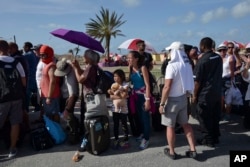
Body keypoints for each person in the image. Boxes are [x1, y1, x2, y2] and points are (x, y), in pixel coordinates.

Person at [159, 41, 197, 160]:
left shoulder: (172, 65)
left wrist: (162, 103)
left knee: (170, 126)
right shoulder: (187, 65)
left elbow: (167, 86)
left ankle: (172, 151)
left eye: (171, 50)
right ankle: (192, 149)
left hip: (172, 100)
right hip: (183, 98)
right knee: (186, 124)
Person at [71, 49, 108, 151]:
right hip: (92, 96)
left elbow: (80, 79)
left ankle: (87, 139)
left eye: (84, 56)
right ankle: (92, 137)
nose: (83, 57)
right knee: (90, 117)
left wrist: (74, 68)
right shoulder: (94, 67)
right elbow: (84, 75)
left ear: (88, 58)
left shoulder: (90, 67)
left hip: (89, 97)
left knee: (87, 118)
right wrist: (78, 67)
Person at [192, 37, 222, 147]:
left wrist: (194, 95)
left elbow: (197, 81)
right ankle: (215, 137)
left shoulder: (203, 60)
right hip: (216, 92)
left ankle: (208, 139)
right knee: (215, 116)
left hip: (205, 94)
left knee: (204, 117)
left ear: (202, 46)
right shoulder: (218, 57)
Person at [0, 40, 26, 158]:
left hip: (2, 98)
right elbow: (24, 81)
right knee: (15, 123)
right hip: (16, 97)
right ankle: (12, 148)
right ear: (8, 49)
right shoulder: (16, 62)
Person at [127, 50, 151, 150]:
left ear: (136, 59)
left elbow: (147, 85)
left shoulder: (143, 68)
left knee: (145, 118)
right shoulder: (131, 68)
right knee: (139, 117)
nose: (128, 60)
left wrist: (148, 100)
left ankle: (146, 139)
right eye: (127, 58)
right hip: (135, 96)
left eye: (130, 58)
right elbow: (131, 83)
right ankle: (142, 134)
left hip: (144, 96)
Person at [54, 58, 80, 144]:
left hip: (70, 97)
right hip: (65, 95)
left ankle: (74, 135)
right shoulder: (66, 63)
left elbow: (73, 95)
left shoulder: (70, 78)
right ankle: (75, 126)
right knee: (69, 116)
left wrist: (67, 109)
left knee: (69, 116)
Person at [39, 45, 61, 122]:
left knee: (54, 113)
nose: (41, 57)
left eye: (44, 55)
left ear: (49, 54)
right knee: (49, 114)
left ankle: (57, 131)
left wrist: (49, 97)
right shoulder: (47, 65)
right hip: (47, 95)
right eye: (40, 55)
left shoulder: (51, 66)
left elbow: (53, 81)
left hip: (51, 96)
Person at [109, 69, 129, 149]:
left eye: (116, 76)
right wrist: (118, 95)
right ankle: (116, 138)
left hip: (124, 108)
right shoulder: (113, 85)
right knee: (116, 123)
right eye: (114, 76)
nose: (115, 78)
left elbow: (125, 95)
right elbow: (111, 96)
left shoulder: (125, 84)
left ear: (121, 77)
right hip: (115, 108)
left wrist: (118, 94)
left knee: (124, 123)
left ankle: (126, 137)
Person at [23, 42, 40, 112]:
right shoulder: (35, 55)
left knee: (27, 95)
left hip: (29, 77)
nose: (23, 48)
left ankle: (26, 109)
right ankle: (37, 107)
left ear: (27, 47)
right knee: (36, 94)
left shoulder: (26, 55)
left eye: (24, 47)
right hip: (35, 76)